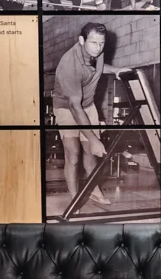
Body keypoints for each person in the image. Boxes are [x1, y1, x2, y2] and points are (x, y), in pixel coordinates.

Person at [52, 23, 132, 212]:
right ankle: (75, 198)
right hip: (67, 107)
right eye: (94, 43)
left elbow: (99, 67)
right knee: (73, 154)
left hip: (87, 106)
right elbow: (74, 106)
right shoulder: (69, 64)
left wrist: (116, 70)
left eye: (101, 43)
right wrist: (94, 138)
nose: (98, 47)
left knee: (91, 152)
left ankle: (94, 190)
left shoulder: (96, 52)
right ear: (82, 40)